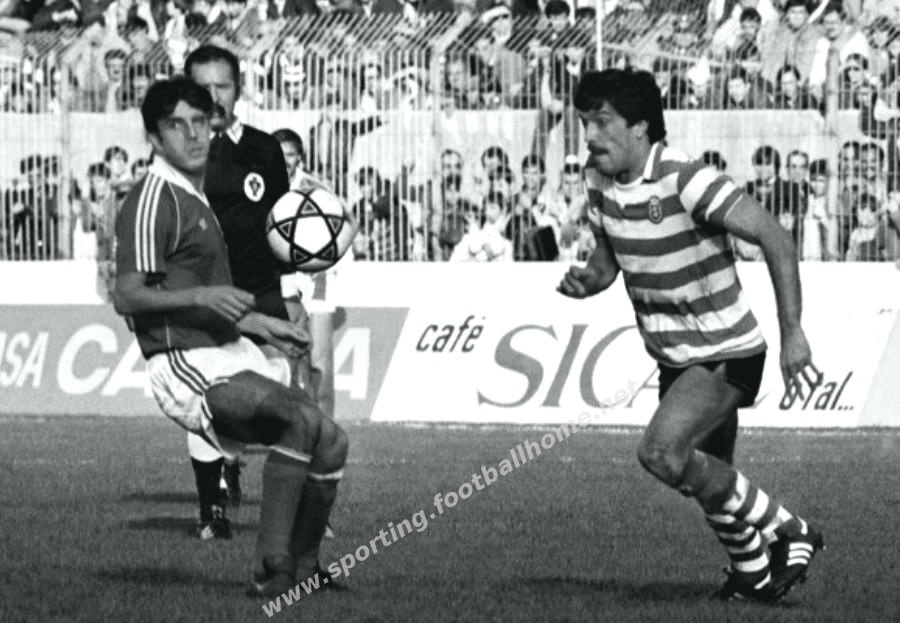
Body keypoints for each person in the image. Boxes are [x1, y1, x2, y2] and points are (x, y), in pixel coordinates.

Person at [558, 68, 824, 603]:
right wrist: (590, 280)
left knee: (663, 452)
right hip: (676, 357)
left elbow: (775, 235)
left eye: (601, 122)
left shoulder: (684, 178)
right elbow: (608, 260)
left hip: (726, 349)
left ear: (640, 127)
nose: (589, 135)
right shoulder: (597, 180)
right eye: (584, 122)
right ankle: (752, 572)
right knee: (707, 476)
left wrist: (792, 331)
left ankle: (791, 530)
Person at [113, 77, 347, 597]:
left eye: (200, 121)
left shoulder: (195, 197)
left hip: (228, 350)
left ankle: (304, 569)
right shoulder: (153, 197)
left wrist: (263, 325)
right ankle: (269, 568)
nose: (193, 133)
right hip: (185, 359)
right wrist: (203, 297)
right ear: (155, 138)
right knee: (297, 420)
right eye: (177, 125)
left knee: (331, 440)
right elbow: (126, 295)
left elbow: (208, 300)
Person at [183, 44, 291, 539]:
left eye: (221, 86)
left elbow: (285, 225)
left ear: (238, 90)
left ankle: (290, 504)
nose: (213, 96)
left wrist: (294, 286)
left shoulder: (264, 149)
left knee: (279, 396)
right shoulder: (179, 154)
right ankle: (213, 511)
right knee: (207, 398)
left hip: (262, 292)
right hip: (207, 294)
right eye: (201, 87)